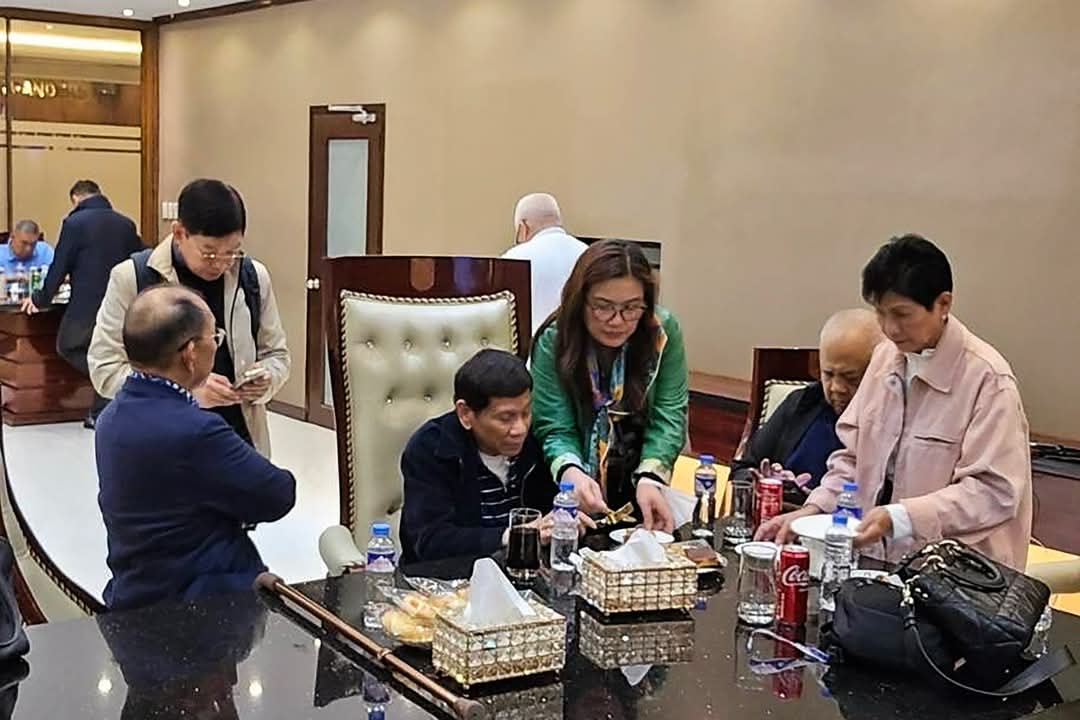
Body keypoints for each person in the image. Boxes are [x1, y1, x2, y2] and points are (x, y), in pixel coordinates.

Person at [756, 234, 1033, 569]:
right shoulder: (885, 359)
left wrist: (902, 517)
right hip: (879, 562)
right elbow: (852, 458)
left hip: (959, 576)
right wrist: (814, 509)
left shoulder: (988, 380)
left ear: (943, 304)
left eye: (902, 314)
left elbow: (993, 493)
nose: (890, 328)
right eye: (881, 313)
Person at [95, 284, 295, 611]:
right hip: (202, 605)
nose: (216, 345)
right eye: (214, 337)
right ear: (190, 353)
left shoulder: (111, 417)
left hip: (134, 592)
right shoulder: (195, 430)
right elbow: (277, 494)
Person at [89, 179, 289, 457]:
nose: (221, 263)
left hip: (239, 441)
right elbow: (105, 368)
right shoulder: (132, 278)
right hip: (161, 444)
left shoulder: (253, 277)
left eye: (232, 252)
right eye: (209, 253)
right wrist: (184, 393)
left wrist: (266, 380)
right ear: (179, 232)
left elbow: (277, 355)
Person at [531, 239, 688, 533]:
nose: (617, 321)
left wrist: (651, 476)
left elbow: (669, 414)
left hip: (638, 482)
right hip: (565, 486)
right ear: (580, 300)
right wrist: (571, 472)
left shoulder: (662, 332)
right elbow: (554, 425)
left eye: (631, 308)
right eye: (603, 307)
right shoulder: (554, 339)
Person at [401, 349, 592, 564]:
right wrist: (516, 535)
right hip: (448, 578)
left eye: (526, 413)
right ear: (465, 414)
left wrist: (566, 520)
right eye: (505, 418)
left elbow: (550, 515)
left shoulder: (537, 439)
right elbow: (430, 542)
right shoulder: (431, 448)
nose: (520, 429)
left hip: (528, 572)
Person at [730, 309, 883, 502]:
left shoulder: (888, 422)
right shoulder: (803, 403)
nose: (836, 388)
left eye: (850, 378)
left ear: (878, 371)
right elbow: (742, 469)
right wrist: (766, 483)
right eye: (828, 374)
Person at [23, 180, 142, 427]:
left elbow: (60, 265)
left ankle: (122, 385)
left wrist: (40, 298)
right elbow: (137, 261)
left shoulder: (74, 223)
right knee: (110, 352)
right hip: (122, 302)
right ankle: (99, 412)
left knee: (68, 346)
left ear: (76, 198)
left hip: (86, 305)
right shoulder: (126, 224)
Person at [502, 193, 588, 335]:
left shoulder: (514, 258)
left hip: (532, 345)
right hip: (580, 344)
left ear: (523, 228)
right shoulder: (588, 253)